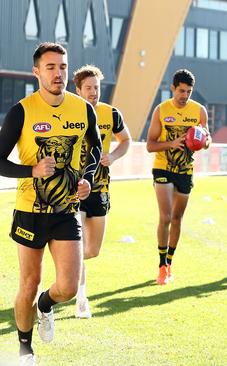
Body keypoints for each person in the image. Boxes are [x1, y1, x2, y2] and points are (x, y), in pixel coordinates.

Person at [0, 42, 102, 364]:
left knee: (69, 287)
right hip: (30, 211)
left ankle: (46, 306)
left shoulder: (82, 108)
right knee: (29, 283)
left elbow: (95, 147)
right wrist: (31, 170)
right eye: (50, 67)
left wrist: (85, 178)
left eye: (62, 67)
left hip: (65, 211)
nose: (58, 74)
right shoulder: (22, 111)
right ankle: (25, 349)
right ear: (36, 72)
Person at [73, 65, 132, 317]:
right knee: (78, 244)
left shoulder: (111, 113)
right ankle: (81, 297)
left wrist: (114, 156)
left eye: (96, 88)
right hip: (74, 190)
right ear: (78, 90)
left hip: (101, 188)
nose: (93, 92)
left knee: (92, 250)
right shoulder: (70, 113)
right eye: (88, 88)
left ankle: (68, 265)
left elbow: (126, 140)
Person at [146, 69, 210, 285]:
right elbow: (150, 145)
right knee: (165, 216)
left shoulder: (199, 111)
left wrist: (204, 141)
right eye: (181, 90)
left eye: (189, 91)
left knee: (177, 218)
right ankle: (161, 265)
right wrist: (171, 144)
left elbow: (206, 140)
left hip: (185, 171)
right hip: (163, 168)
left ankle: (170, 262)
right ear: (172, 88)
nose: (185, 95)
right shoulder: (161, 110)